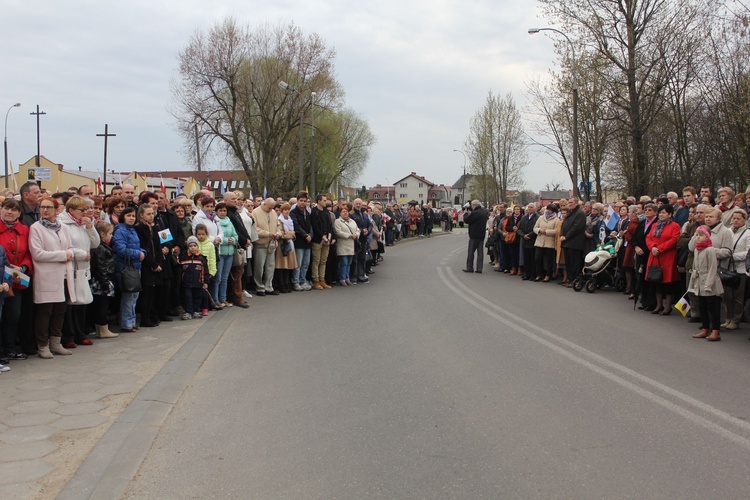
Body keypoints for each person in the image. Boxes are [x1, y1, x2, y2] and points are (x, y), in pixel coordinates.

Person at [29, 197, 76, 358]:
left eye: (49, 207)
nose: (45, 210)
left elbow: (70, 247)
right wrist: (64, 255)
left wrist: (69, 253)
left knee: (60, 310)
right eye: (42, 207)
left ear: (56, 210)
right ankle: (43, 345)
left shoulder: (62, 227)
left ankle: (56, 342)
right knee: (45, 311)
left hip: (63, 274)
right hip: (46, 274)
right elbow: (38, 253)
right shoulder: (36, 228)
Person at [59, 196, 100, 348]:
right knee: (70, 303)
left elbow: (95, 243)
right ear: (71, 210)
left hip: (83, 269)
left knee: (82, 301)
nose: (86, 212)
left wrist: (90, 227)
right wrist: (82, 254)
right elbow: (64, 246)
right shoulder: (63, 224)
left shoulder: (84, 223)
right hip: (70, 268)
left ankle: (80, 333)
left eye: (88, 209)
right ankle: (68, 336)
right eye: (82, 210)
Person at [0, 199, 32, 361]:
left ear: (19, 213)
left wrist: (23, 267)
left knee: (13, 315)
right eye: (6, 208)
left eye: (13, 210)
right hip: (0, 279)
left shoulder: (24, 230)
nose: (9, 212)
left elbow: (28, 254)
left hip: (15, 279)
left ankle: (10, 348)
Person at [689, 226, 724, 341]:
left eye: (701, 235)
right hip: (699, 280)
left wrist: (708, 284)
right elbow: (695, 266)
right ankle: (705, 328)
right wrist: (693, 281)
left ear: (707, 236)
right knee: (702, 306)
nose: (698, 237)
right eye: (696, 235)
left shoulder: (710, 250)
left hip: (709, 281)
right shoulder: (696, 249)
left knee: (712, 307)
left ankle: (715, 331)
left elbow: (713, 269)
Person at [644, 204, 681, 315]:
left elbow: (674, 240)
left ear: (670, 214)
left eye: (664, 213)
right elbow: (648, 237)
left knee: (667, 283)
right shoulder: (655, 225)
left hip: (667, 257)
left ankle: (668, 306)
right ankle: (659, 304)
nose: (661, 214)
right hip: (654, 256)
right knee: (656, 281)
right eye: (660, 213)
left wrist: (659, 249)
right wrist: (653, 247)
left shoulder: (675, 226)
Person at [112, 207, 144, 332]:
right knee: (128, 297)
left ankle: (132, 321)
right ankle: (126, 323)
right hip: (125, 267)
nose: (131, 218)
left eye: (133, 216)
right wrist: (138, 254)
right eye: (128, 215)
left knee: (134, 297)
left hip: (136, 266)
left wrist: (143, 252)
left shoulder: (133, 230)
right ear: (123, 217)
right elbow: (121, 250)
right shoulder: (120, 230)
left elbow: (139, 246)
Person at [720, 210, 750, 330]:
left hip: (741, 270)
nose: (735, 221)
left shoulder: (748, 233)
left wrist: (733, 256)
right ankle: (728, 318)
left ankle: (736, 320)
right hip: (728, 268)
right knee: (727, 296)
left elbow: (748, 252)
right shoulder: (728, 232)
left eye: (739, 219)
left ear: (744, 220)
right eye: (734, 218)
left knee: (738, 297)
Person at [136, 204, 164, 327]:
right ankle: (145, 318)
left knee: (153, 292)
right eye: (148, 214)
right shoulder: (139, 228)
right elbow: (144, 247)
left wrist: (159, 262)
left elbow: (158, 246)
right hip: (146, 264)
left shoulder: (155, 227)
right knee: (146, 293)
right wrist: (153, 264)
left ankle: (152, 315)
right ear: (141, 215)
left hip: (156, 262)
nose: (151, 216)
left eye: (152, 213)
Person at [89, 221, 118, 338]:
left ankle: (100, 328)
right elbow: (100, 266)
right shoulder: (100, 248)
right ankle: (102, 328)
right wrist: (105, 283)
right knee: (102, 305)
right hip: (102, 280)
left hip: (104, 278)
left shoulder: (103, 246)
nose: (111, 236)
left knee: (102, 304)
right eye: (110, 233)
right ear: (102, 233)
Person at [252, 198, 282, 296]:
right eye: (269, 208)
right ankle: (259, 287)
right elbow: (255, 228)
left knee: (270, 266)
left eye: (272, 208)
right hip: (261, 243)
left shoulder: (273, 212)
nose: (271, 210)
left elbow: (278, 225)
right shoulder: (255, 212)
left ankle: (269, 286)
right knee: (259, 266)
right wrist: (267, 233)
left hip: (272, 243)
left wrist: (278, 233)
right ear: (264, 204)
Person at [179, 236, 209, 320]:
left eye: (195, 246)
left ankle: (196, 310)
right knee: (187, 297)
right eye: (191, 246)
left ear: (197, 246)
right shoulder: (184, 258)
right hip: (187, 283)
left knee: (197, 297)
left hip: (198, 282)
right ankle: (188, 311)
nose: (193, 248)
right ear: (188, 247)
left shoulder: (201, 258)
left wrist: (205, 282)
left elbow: (205, 271)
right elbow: (180, 269)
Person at [214, 202, 238, 307]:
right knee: (218, 278)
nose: (223, 213)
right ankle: (216, 299)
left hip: (230, 252)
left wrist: (232, 240)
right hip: (220, 252)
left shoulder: (229, 221)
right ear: (216, 211)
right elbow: (215, 236)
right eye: (220, 210)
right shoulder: (215, 221)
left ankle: (223, 298)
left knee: (225, 277)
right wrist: (224, 241)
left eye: (224, 211)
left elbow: (235, 235)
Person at [310, 194, 333, 290]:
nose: (325, 202)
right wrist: (323, 238)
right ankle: (315, 280)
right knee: (316, 260)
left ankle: (322, 279)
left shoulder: (326, 213)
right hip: (318, 239)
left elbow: (330, 226)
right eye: (324, 200)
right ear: (319, 201)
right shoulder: (314, 212)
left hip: (326, 239)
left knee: (323, 261)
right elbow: (315, 227)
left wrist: (329, 237)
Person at [290, 192, 312, 291]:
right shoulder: (294, 212)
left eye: (305, 201)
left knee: (305, 263)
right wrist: (305, 235)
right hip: (299, 241)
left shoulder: (307, 212)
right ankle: (296, 281)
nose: (303, 203)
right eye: (301, 201)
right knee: (298, 263)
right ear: (297, 201)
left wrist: (311, 235)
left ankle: (303, 280)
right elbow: (296, 226)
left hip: (307, 242)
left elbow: (310, 226)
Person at [334, 203, 360, 286]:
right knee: (343, 263)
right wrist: (349, 235)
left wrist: (356, 235)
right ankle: (342, 279)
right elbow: (338, 232)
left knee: (349, 263)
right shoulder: (338, 221)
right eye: (343, 212)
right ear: (340, 213)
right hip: (342, 245)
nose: (345, 213)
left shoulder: (352, 221)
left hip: (351, 245)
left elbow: (357, 230)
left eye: (346, 212)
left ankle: (347, 278)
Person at [275, 203, 298, 293]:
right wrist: (290, 234)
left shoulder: (290, 220)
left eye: (288, 210)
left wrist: (292, 234)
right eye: (285, 210)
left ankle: (287, 283)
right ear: (281, 211)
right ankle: (281, 285)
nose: (287, 211)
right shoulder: (279, 221)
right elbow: (281, 233)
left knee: (288, 266)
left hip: (289, 244)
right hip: (282, 245)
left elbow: (293, 233)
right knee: (282, 266)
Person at [195, 224, 218, 312]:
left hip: (207, 271)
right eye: (199, 234)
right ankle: (199, 306)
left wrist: (212, 271)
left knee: (207, 289)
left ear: (206, 234)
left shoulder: (210, 245)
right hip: (197, 271)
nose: (201, 236)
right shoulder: (194, 244)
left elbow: (212, 258)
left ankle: (208, 305)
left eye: (203, 234)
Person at [533, 204, 559, 282]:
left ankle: (548, 275)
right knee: (537, 258)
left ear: (553, 211)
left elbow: (556, 231)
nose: (548, 211)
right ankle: (539, 274)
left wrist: (546, 232)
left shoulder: (556, 220)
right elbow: (535, 227)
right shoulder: (541, 218)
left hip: (549, 242)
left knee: (549, 260)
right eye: (547, 209)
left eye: (550, 210)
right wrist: (539, 230)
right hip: (539, 241)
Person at [463, 200, 488, 273]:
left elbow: (467, 220)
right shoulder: (484, 212)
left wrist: (465, 214)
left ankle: (470, 267)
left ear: (474, 205)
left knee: (471, 252)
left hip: (474, 235)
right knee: (480, 253)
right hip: (482, 235)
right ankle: (479, 268)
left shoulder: (475, 213)